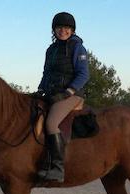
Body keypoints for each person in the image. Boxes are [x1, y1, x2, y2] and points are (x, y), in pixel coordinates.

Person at [35, 11, 89, 183]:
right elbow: (46, 73)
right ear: (54, 30)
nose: (62, 31)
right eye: (59, 27)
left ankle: (58, 168)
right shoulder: (50, 50)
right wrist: (41, 89)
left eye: (66, 28)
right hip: (52, 93)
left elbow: (83, 74)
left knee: (51, 123)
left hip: (71, 95)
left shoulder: (77, 48)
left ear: (72, 30)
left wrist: (69, 91)